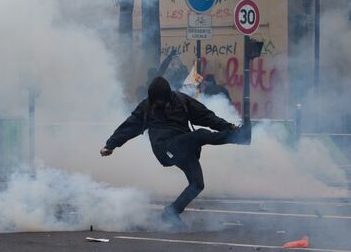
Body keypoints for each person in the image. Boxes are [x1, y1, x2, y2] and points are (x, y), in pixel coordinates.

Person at [100, 77, 250, 227]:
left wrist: (228, 126)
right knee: (201, 134)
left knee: (197, 184)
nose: (159, 104)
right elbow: (129, 126)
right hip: (164, 149)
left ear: (168, 96)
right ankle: (239, 138)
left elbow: (206, 117)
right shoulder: (146, 107)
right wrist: (110, 145)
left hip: (184, 147)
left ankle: (170, 213)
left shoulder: (181, 100)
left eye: (161, 100)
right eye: (156, 101)